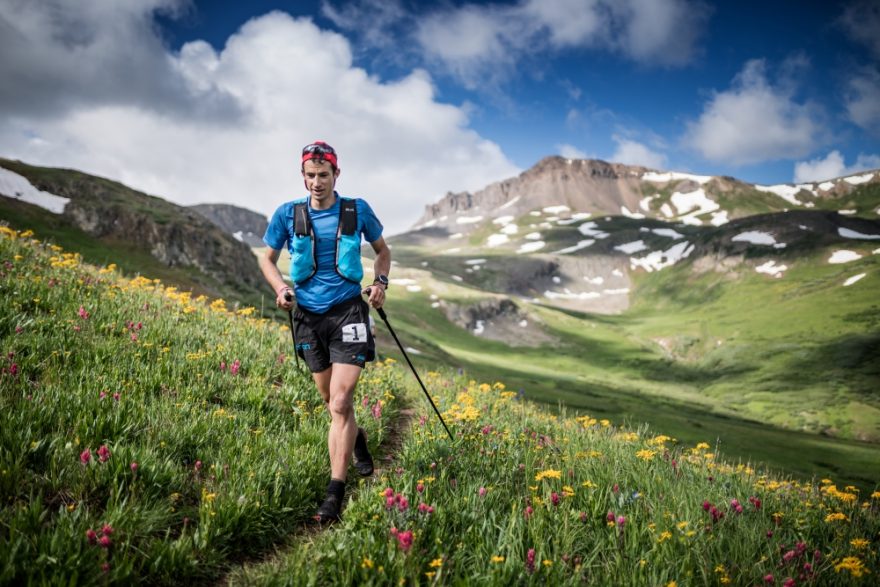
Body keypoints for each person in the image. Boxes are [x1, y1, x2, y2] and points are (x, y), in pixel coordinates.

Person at [259, 140, 391, 522]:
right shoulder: (287, 214)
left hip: (349, 310)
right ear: (303, 176)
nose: (317, 182)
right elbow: (267, 260)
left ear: (337, 174)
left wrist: (380, 281)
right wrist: (281, 289)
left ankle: (334, 494)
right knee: (331, 402)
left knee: (340, 402)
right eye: (311, 176)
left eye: (324, 175)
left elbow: (383, 251)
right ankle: (357, 438)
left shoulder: (356, 210)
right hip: (307, 317)